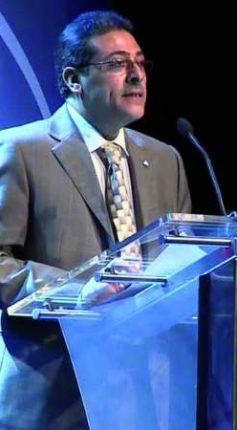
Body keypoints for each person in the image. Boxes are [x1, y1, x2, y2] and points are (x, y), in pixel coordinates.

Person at [0, 10, 191, 429]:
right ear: (74, 79)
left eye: (140, 62)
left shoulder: (166, 160)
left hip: (146, 392)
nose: (136, 75)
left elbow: (179, 263)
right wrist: (78, 292)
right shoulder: (21, 151)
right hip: (54, 390)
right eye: (118, 63)